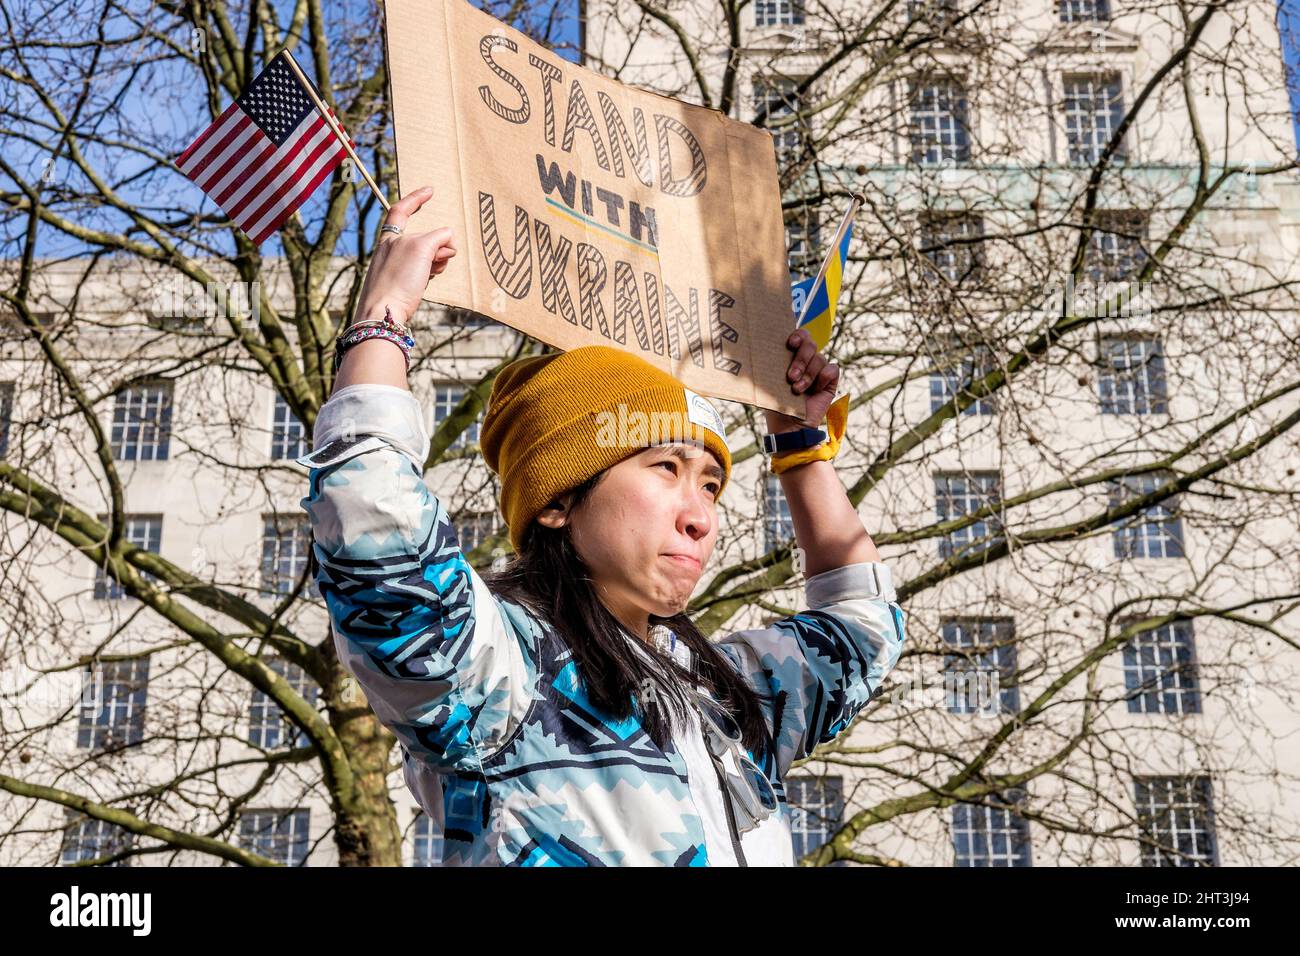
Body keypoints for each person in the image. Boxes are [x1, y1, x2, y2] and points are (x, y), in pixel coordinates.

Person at [298, 186, 907, 866]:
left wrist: (800, 447)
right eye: (664, 469)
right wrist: (383, 318)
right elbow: (372, 527)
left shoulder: (726, 695)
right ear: (559, 501)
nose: (701, 514)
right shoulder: (501, 674)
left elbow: (862, 630)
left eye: (710, 481)